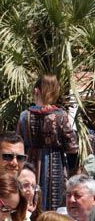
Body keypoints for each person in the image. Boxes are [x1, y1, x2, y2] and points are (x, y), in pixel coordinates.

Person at [18, 74, 77, 212]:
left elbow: (19, 144)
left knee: (28, 199)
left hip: (30, 164)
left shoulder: (24, 116)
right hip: (55, 164)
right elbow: (72, 147)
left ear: (36, 90)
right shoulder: (61, 116)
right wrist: (71, 170)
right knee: (54, 206)